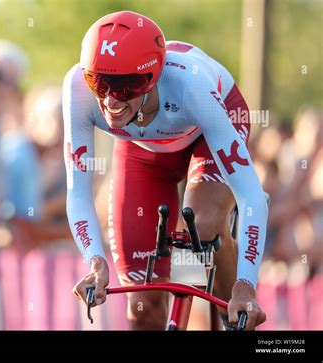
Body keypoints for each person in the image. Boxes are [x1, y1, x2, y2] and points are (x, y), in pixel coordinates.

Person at [65, 11, 268, 330]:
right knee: (143, 306)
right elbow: (77, 192)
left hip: (207, 132)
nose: (110, 101)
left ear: (152, 76)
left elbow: (251, 194)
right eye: (99, 82)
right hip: (142, 149)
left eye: (125, 85)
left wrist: (247, 283)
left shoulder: (191, 84)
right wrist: (94, 261)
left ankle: (237, 316)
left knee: (202, 224)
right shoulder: (77, 88)